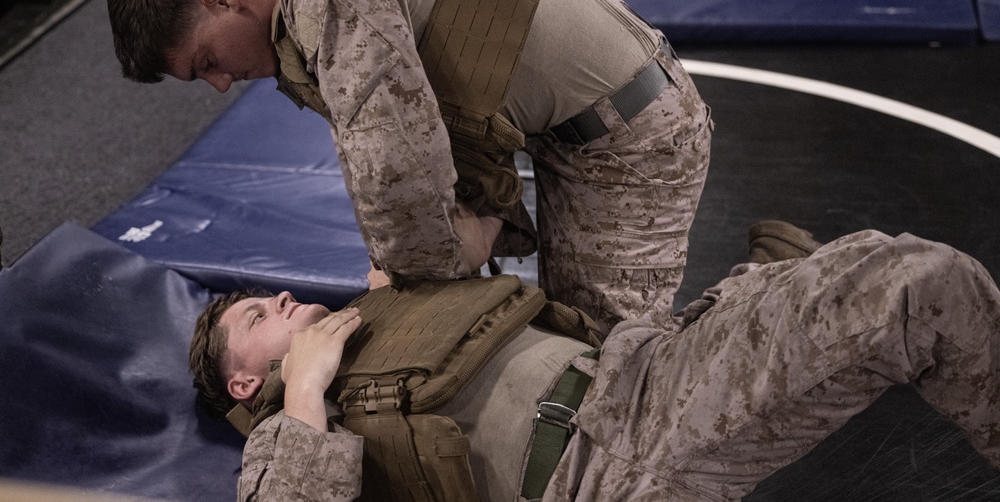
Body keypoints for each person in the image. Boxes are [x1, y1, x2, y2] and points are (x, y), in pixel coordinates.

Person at [106, 0, 713, 334]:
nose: (218, 82)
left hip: (630, 139)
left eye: (207, 62)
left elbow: (395, 169)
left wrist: (418, 272)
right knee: (575, 340)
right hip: (582, 127)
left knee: (614, 369)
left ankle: (777, 313)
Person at [190, 223, 1000, 501]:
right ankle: (773, 285)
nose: (283, 302)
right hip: (611, 460)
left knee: (871, 261)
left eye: (273, 295)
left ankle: (770, 283)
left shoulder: (376, 313)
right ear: (243, 381)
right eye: (258, 315)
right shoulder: (286, 431)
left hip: (638, 371)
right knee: (918, 286)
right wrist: (302, 390)